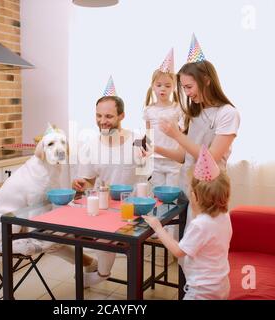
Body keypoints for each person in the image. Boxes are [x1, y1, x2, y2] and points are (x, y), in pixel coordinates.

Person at [154, 34, 240, 230]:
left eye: (189, 87)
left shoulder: (228, 114)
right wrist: (154, 148)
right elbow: (184, 157)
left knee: (204, 247)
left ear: (207, 81)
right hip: (188, 188)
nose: (187, 93)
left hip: (210, 191)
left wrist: (177, 135)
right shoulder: (194, 113)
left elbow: (210, 158)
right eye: (184, 88)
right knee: (187, 245)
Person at [72, 76, 148, 287]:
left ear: (122, 115)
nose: (102, 121)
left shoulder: (139, 140)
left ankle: (101, 274)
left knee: (108, 235)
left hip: (134, 206)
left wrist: (147, 159)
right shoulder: (90, 145)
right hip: (104, 205)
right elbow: (88, 181)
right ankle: (100, 270)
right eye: (98, 116)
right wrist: (80, 184)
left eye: (108, 116)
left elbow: (151, 176)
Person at [143, 145, 232, 300]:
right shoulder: (224, 216)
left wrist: (158, 227)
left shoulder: (200, 225)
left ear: (194, 197)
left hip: (202, 291)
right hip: (221, 285)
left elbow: (178, 251)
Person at [143, 48, 182, 187]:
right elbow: (148, 134)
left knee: (173, 195)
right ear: (153, 87)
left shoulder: (177, 108)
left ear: (174, 88)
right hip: (155, 160)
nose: (162, 89)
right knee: (158, 195)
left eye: (167, 85)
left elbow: (182, 135)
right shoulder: (149, 110)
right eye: (159, 85)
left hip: (173, 160)